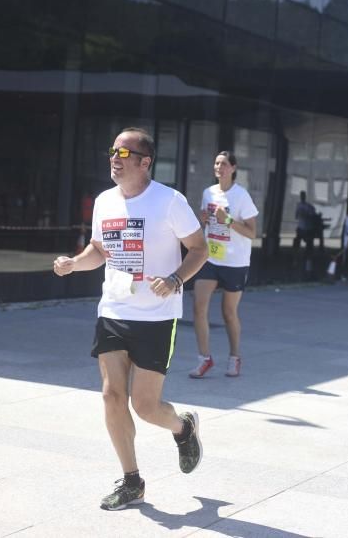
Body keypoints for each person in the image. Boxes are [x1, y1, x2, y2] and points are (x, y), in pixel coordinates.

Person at [52, 128, 208, 511]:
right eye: (112, 151)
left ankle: (183, 427)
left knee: (145, 405)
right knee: (111, 395)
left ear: (145, 162)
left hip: (157, 317)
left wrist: (175, 280)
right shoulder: (105, 201)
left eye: (124, 152)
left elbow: (199, 248)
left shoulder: (170, 201)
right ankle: (132, 480)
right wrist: (75, 263)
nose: (115, 158)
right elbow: (99, 250)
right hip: (114, 311)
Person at [189, 151, 259, 379]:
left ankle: (235, 357)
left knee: (228, 313)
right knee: (198, 307)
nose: (219, 167)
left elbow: (252, 233)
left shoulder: (242, 196)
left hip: (235, 261)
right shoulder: (208, 193)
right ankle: (204, 359)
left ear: (233, 168)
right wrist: (204, 220)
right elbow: (207, 223)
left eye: (224, 164)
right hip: (211, 257)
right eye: (216, 163)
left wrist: (227, 220)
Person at [293, 190, 315, 272]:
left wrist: (306, 214)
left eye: (303, 196)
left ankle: (307, 262)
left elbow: (311, 214)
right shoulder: (299, 205)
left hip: (306, 228)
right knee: (297, 243)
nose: (302, 197)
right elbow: (296, 216)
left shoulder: (307, 206)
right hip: (302, 227)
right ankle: (296, 260)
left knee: (308, 245)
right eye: (302, 196)